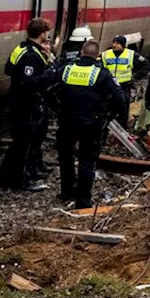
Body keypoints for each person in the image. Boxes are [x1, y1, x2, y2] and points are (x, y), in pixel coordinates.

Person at [54, 40, 124, 208]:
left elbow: (48, 87)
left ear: (81, 53)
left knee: (66, 157)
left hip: (67, 120)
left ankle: (67, 191)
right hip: (92, 123)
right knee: (87, 161)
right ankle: (83, 201)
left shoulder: (66, 69)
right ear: (97, 55)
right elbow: (119, 98)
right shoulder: (102, 73)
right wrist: (109, 115)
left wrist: (57, 108)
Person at [0, 18, 55, 191]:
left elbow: (8, 69)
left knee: (21, 143)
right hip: (26, 105)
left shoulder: (21, 49)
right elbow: (29, 83)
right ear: (42, 33)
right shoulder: (32, 55)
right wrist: (49, 73)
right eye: (47, 31)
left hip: (19, 102)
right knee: (23, 144)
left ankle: (8, 178)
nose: (49, 35)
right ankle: (20, 180)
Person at [100, 36, 146, 128]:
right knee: (108, 107)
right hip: (110, 86)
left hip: (124, 85)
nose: (114, 45)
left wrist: (135, 76)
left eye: (117, 43)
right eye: (114, 43)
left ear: (123, 45)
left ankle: (121, 127)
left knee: (123, 108)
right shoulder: (105, 54)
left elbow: (145, 65)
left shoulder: (131, 54)